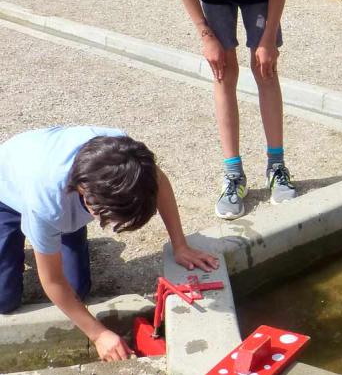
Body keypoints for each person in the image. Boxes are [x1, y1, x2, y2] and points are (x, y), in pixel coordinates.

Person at [0, 126, 219, 360]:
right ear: (86, 194)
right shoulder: (47, 203)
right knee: (5, 300)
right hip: (8, 191)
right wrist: (98, 334)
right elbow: (52, 281)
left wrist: (180, 246)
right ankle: (40, 243)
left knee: (77, 291)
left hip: (63, 196)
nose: (113, 225)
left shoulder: (129, 160)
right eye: (108, 217)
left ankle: (49, 241)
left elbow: (159, 181)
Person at [169, 0, 297, 220]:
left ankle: (276, 166)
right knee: (224, 72)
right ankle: (233, 174)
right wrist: (205, 35)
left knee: (265, 70)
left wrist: (268, 37)